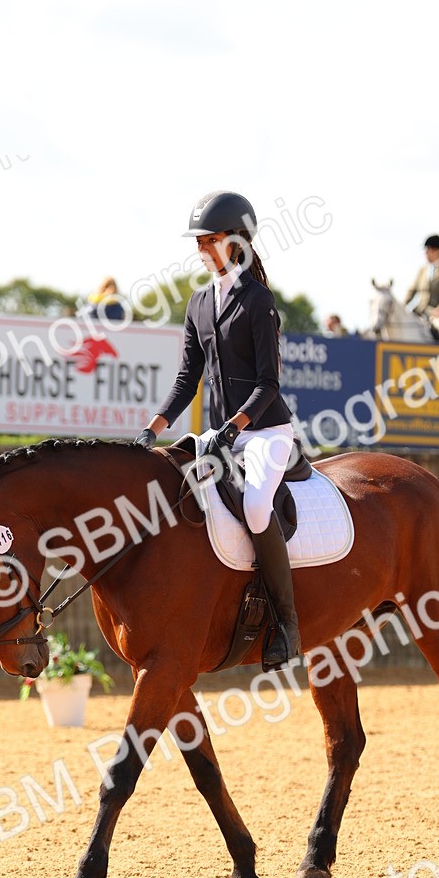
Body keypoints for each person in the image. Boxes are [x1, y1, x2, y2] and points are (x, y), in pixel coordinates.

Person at [135, 190, 301, 668]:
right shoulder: (199, 304)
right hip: (222, 434)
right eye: (199, 241)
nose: (202, 249)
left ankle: (287, 625)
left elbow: (269, 383)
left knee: (254, 507)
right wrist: (154, 426)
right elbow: (188, 376)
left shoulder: (258, 301)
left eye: (210, 240)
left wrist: (235, 427)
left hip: (265, 433)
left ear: (237, 242)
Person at [404, 235, 439, 339]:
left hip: (438, 313)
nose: (426, 253)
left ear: (438, 251)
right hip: (420, 311)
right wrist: (403, 305)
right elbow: (412, 290)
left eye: (428, 250)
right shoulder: (423, 270)